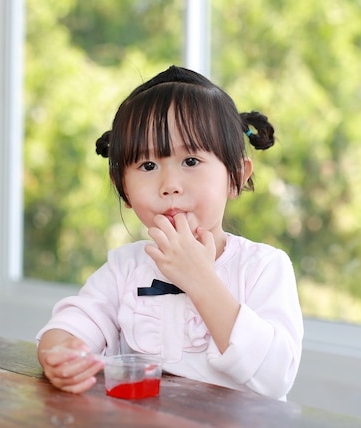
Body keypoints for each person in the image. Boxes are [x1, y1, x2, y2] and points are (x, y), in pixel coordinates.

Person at [36, 65, 303, 401]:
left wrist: (200, 279)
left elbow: (275, 378)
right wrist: (60, 353)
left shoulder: (263, 267)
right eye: (148, 166)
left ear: (235, 175)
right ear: (123, 189)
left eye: (191, 161)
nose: (170, 186)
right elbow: (77, 321)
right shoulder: (126, 267)